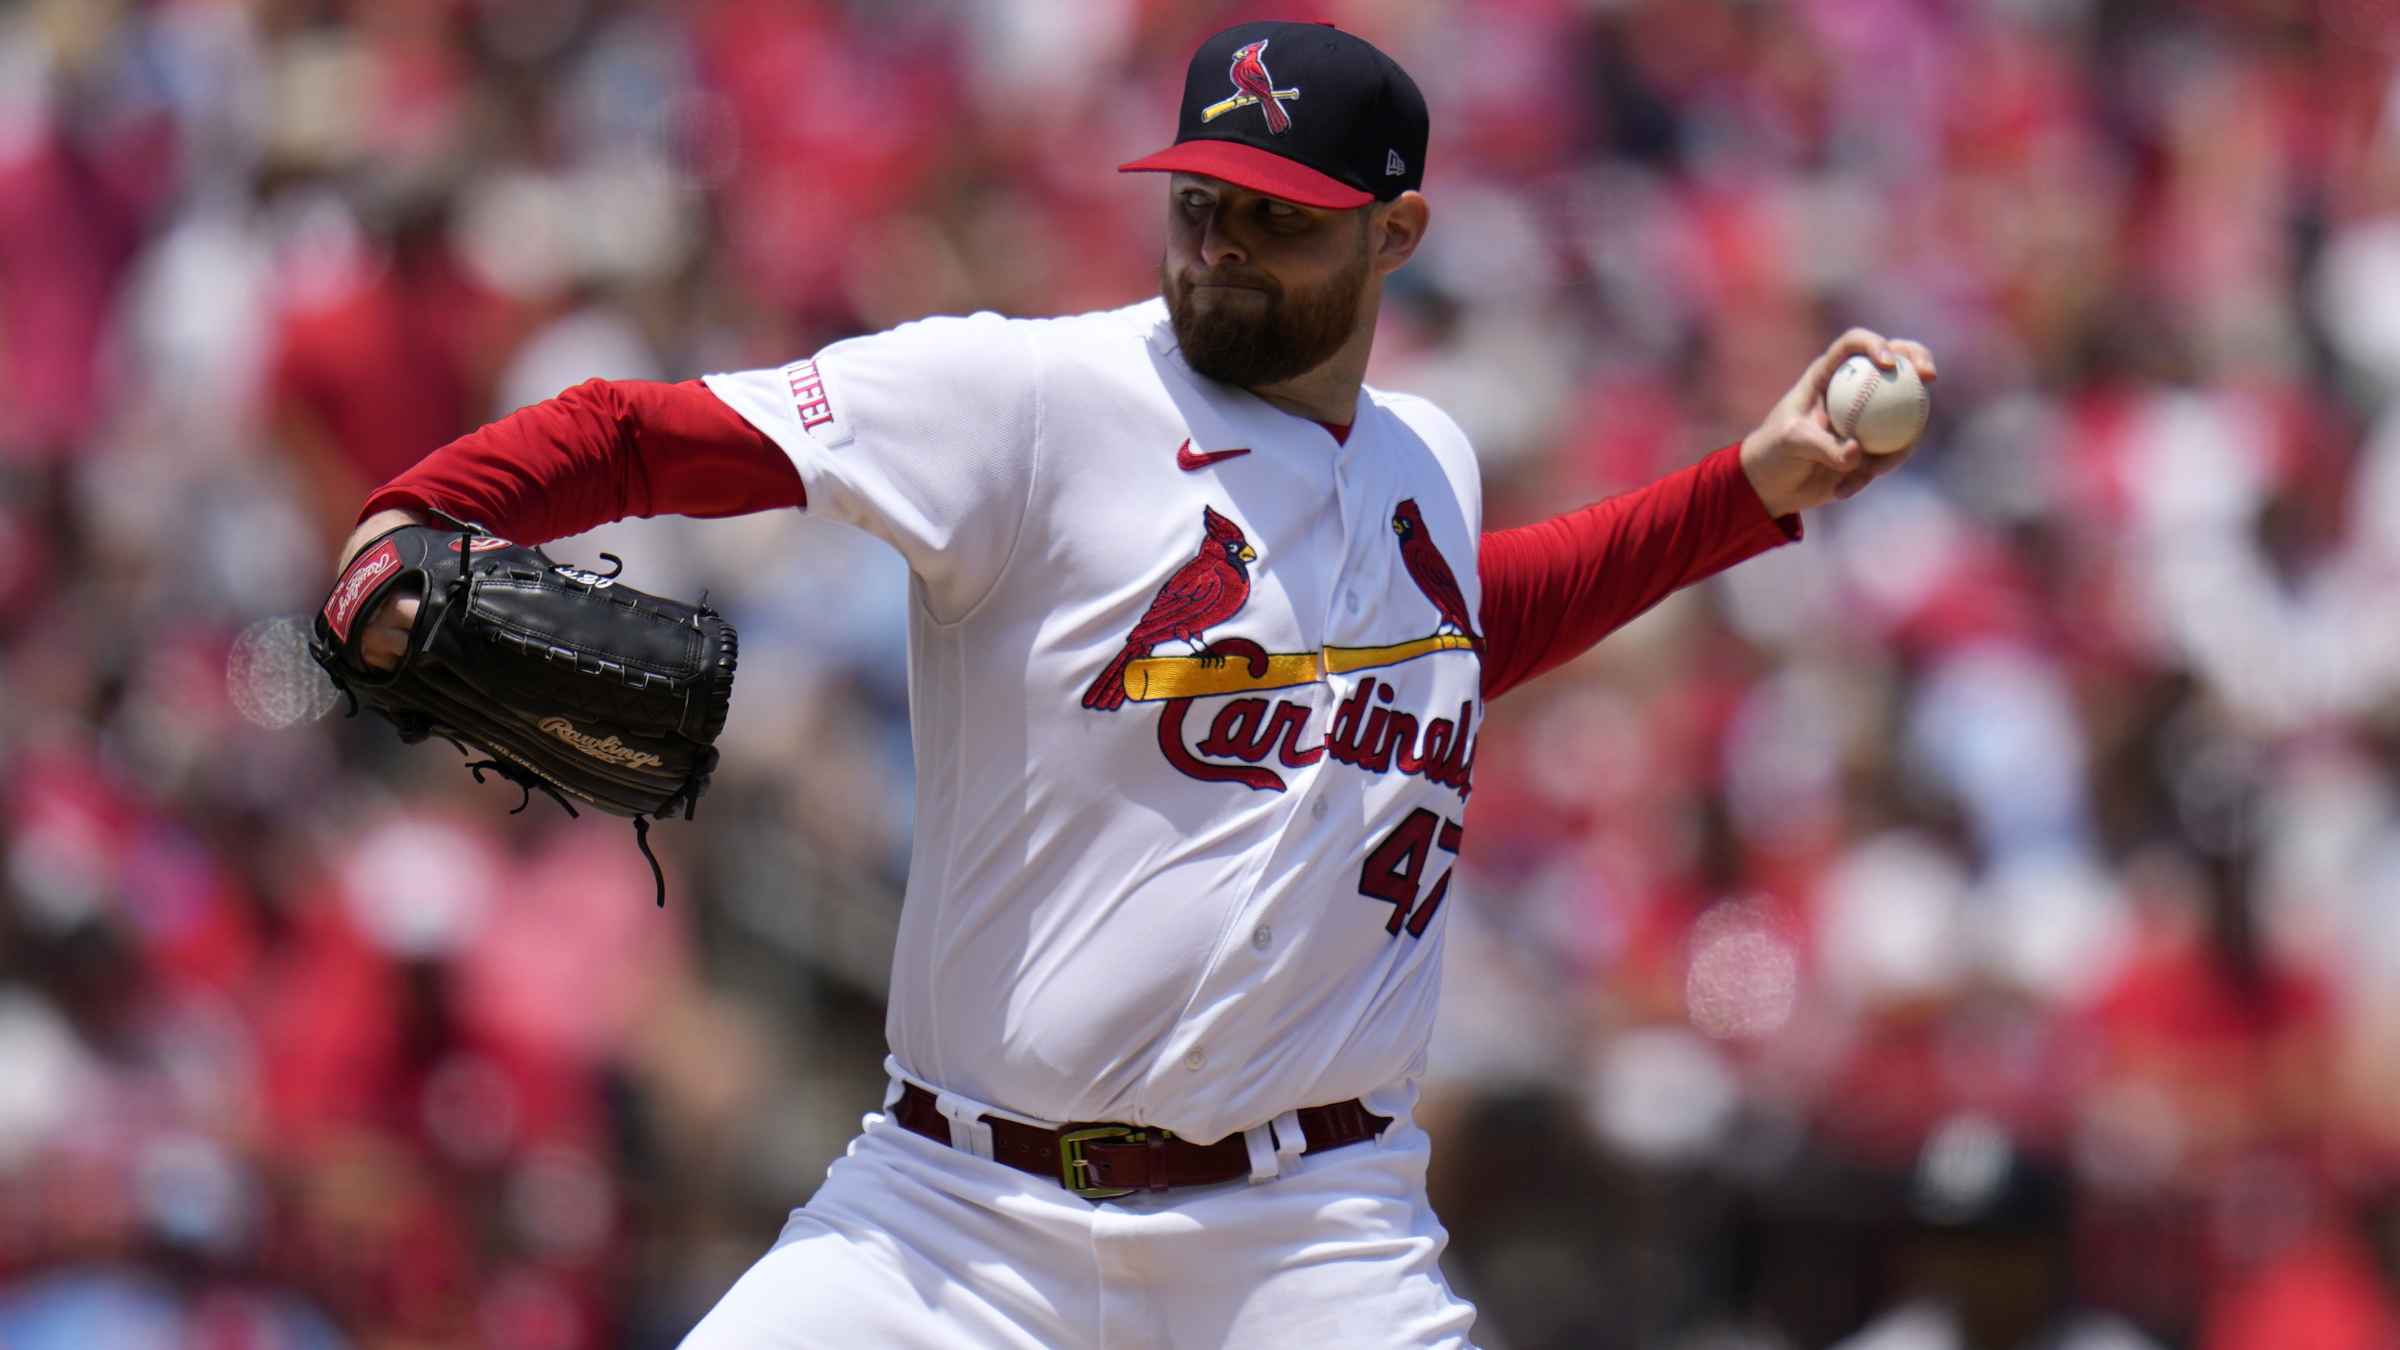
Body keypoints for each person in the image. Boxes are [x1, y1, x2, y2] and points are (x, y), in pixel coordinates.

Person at [331, 20, 1934, 1348]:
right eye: (1202, 203)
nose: (1223, 245)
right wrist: (415, 514)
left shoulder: (1424, 461)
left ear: (1399, 232)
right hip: (955, 1225)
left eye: (1278, 217)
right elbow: (646, 432)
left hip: (1314, 1239)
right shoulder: (1030, 401)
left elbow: (1466, 631)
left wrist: (1748, 489)